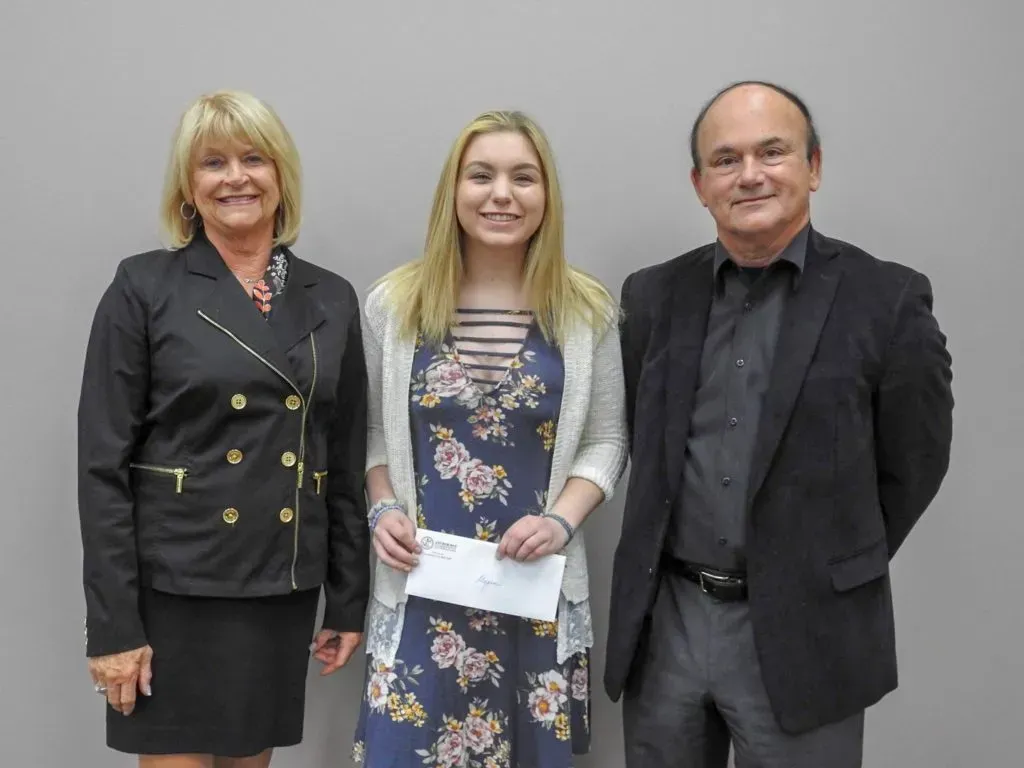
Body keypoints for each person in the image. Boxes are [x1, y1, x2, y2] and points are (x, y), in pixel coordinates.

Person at [605, 81, 954, 768]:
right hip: (667, 624)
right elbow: (638, 436)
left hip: (806, 631)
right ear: (701, 184)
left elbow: (914, 464)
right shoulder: (651, 296)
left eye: (773, 151)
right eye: (726, 159)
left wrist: (825, 567)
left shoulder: (886, 299)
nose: (750, 174)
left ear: (814, 167)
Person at [77, 90, 370, 768]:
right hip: (176, 586)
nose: (235, 177)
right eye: (212, 162)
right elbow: (102, 469)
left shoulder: (329, 296)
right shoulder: (144, 287)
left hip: (279, 578)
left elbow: (344, 457)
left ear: (280, 175)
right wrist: (113, 626)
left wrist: (347, 601)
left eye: (252, 159)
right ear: (188, 186)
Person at [350, 110, 627, 767]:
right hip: (420, 588)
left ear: (547, 196)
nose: (501, 193)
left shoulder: (588, 311)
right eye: (482, 175)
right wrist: (383, 508)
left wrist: (561, 522)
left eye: (523, 177)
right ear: (454, 190)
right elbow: (373, 432)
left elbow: (608, 438)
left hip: (535, 594)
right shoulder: (393, 306)